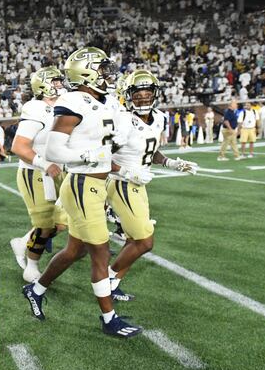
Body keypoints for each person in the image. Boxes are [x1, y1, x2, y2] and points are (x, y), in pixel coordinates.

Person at [20, 46, 142, 338]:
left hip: (98, 183)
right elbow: (54, 148)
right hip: (81, 183)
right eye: (102, 69)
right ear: (86, 71)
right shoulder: (73, 100)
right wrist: (88, 156)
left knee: (74, 250)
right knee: (99, 253)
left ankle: (35, 290)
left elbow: (114, 140)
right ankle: (109, 318)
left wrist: (125, 167)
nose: (107, 74)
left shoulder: (107, 101)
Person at [106, 70, 197, 301]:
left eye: (148, 92)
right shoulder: (123, 120)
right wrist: (127, 171)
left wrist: (171, 163)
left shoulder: (159, 118)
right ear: (128, 95)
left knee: (133, 239)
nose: (144, 97)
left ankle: (113, 284)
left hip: (138, 184)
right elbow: (101, 157)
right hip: (121, 183)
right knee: (145, 241)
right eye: (138, 93)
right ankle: (106, 279)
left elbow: (150, 149)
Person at [9, 66, 68, 283]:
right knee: (45, 226)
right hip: (35, 173)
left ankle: (23, 241)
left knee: (61, 225)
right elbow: (19, 146)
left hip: (55, 171)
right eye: (55, 82)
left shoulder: (63, 106)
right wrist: (44, 163)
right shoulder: (36, 108)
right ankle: (32, 267)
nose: (60, 85)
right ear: (42, 84)